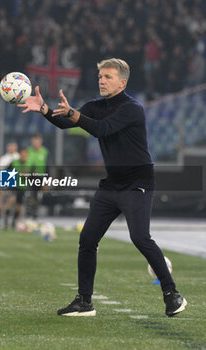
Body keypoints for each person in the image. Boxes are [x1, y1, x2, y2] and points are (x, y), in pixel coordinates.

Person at [18, 58, 187, 317]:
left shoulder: (133, 108)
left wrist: (75, 113)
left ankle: (172, 294)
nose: (101, 80)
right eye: (100, 76)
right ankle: (84, 301)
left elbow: (102, 129)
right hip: (112, 184)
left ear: (122, 82)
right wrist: (44, 109)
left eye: (108, 77)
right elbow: (66, 123)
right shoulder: (96, 106)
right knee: (87, 239)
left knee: (140, 237)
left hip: (138, 182)